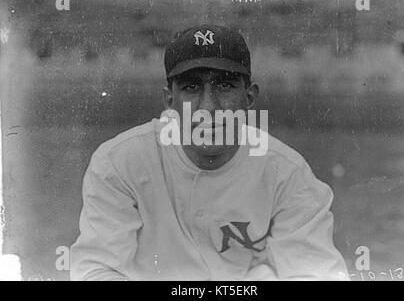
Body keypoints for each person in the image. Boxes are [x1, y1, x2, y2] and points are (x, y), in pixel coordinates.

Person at [70, 24, 349, 281]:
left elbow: (315, 273)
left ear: (249, 97)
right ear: (169, 99)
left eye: (224, 86)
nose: (208, 107)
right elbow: (96, 269)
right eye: (191, 87)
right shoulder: (120, 162)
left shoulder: (286, 173)